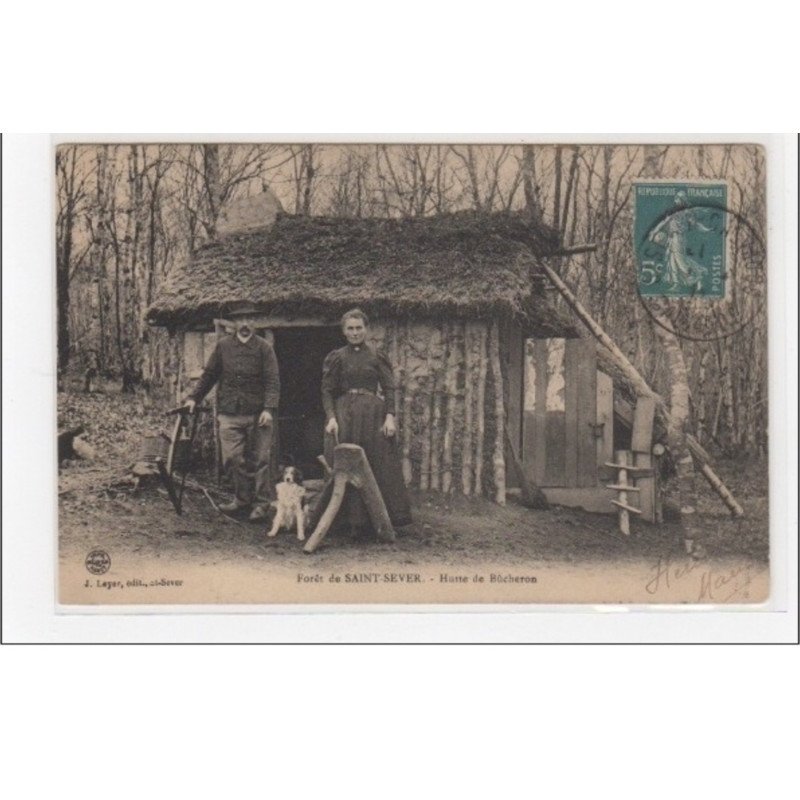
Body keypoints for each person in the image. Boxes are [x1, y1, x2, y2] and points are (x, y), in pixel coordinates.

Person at [184, 302, 280, 521]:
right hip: (229, 413)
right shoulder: (223, 346)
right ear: (234, 323)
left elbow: (273, 381)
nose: (245, 324)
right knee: (232, 459)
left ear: (255, 322)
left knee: (261, 460)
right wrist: (193, 398)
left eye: (249, 320)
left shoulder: (265, 348)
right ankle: (241, 500)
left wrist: (268, 409)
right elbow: (209, 375)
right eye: (240, 320)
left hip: (258, 415)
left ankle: (262, 505)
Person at [321, 309, 412, 534]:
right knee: (346, 463)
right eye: (350, 328)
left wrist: (390, 416)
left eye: (359, 328)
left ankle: (379, 520)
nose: (355, 333)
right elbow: (326, 390)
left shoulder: (376, 356)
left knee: (376, 461)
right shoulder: (337, 357)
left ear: (366, 329)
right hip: (345, 415)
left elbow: (390, 388)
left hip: (373, 415)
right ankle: (349, 522)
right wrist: (331, 418)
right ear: (343, 331)